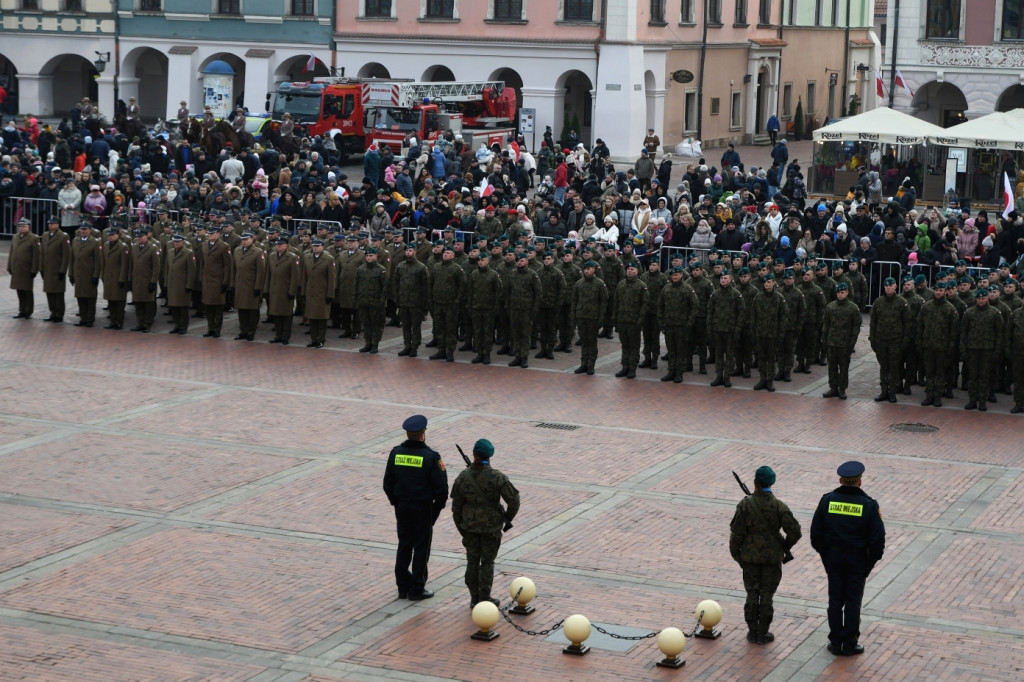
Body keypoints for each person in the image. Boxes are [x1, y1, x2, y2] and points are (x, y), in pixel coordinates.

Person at [810, 461, 886, 657]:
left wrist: (826, 556)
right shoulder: (869, 505)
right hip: (857, 559)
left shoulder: (827, 501)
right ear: (859, 482)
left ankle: (835, 642)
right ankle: (850, 644)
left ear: (841, 480)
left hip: (833, 557)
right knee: (853, 601)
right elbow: (877, 541)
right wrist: (868, 564)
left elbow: (815, 534)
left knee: (835, 599)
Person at [730, 466, 802, 645]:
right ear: (772, 483)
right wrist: (783, 547)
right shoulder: (779, 506)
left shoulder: (745, 504)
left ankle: (752, 631)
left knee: (752, 592)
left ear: (755, 483)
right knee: (767, 594)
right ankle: (763, 632)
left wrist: (737, 556)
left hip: (750, 559)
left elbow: (736, 534)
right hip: (771, 559)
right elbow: (795, 531)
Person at [383, 414, 449, 601]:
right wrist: (434, 513)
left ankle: (402, 587)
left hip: (402, 507)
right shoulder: (431, 457)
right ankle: (416, 588)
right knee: (421, 546)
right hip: (422, 508)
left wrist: (396, 503)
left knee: (404, 544)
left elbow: (387, 484)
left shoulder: (396, 453)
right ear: (423, 434)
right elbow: (442, 491)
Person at [450, 438, 520, 609]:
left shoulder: (463, 477)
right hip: (491, 529)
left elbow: (456, 508)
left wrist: (462, 528)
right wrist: (506, 519)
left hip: (470, 528)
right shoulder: (498, 477)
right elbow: (514, 501)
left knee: (472, 562)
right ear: (490, 456)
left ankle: (474, 598)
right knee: (487, 563)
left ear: (474, 454)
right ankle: (485, 597)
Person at [821, 282, 862, 399]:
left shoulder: (853, 308)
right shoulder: (830, 306)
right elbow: (826, 325)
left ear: (847, 292)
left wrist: (852, 342)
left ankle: (842, 388)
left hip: (845, 343)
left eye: (842, 292)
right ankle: (833, 387)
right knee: (832, 367)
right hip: (832, 342)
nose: (840, 295)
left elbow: (856, 326)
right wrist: (824, 340)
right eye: (838, 293)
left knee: (844, 367)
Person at [8, 218, 42, 319]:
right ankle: (21, 310)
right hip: (17, 268)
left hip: (26, 269)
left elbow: (36, 256)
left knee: (27, 290)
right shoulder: (15, 237)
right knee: (19, 290)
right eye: (20, 226)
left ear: (29, 227)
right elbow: (11, 252)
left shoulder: (33, 238)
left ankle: (28, 311)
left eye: (24, 226)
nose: (21, 228)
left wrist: (34, 270)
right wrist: (9, 266)